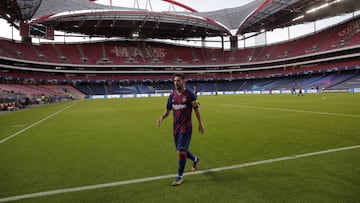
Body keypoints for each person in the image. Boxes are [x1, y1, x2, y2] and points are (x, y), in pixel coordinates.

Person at [157, 73, 205, 186]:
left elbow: (196, 110)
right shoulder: (172, 95)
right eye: (174, 80)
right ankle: (195, 159)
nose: (176, 82)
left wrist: (200, 123)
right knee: (182, 150)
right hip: (176, 128)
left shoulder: (190, 94)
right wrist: (161, 118)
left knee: (181, 151)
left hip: (186, 127)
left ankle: (179, 176)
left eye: (178, 80)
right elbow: (168, 110)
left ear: (184, 81)